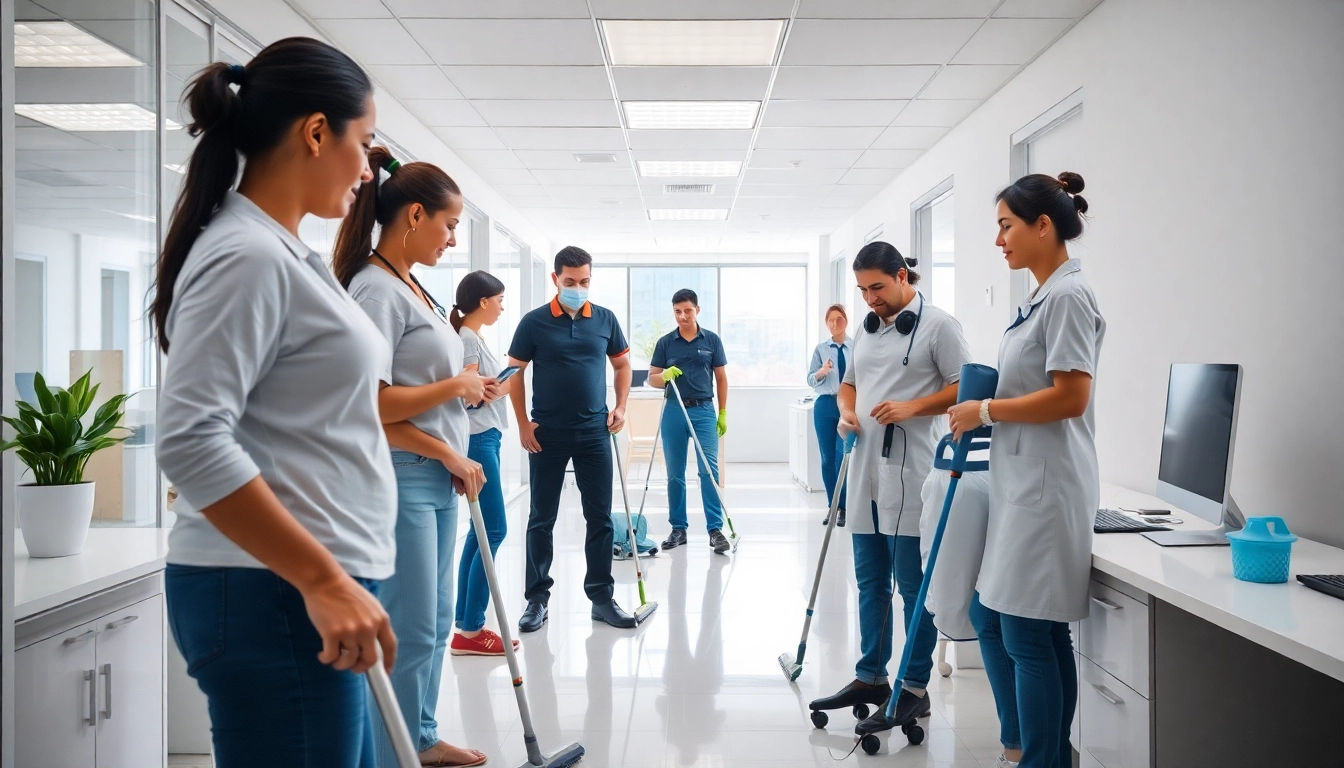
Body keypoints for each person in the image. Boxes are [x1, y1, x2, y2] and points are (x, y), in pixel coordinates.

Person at [154, 38, 395, 768]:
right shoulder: (246, 256)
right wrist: (321, 578)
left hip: (291, 585)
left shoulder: (283, 252)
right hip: (270, 592)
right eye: (365, 142)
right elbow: (192, 438)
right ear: (317, 132)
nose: (367, 169)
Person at [332, 147, 492, 768]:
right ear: (415, 214)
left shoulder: (411, 286)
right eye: (449, 225)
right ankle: (394, 749)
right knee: (411, 625)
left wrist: (454, 443)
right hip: (403, 475)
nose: (452, 239)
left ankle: (420, 737)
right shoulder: (375, 290)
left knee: (434, 620)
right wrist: (454, 399)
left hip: (436, 477)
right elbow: (369, 405)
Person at [948, 172, 1104, 768]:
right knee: (1025, 628)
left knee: (1024, 634)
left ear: (1044, 226)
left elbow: (1071, 396)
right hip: (1026, 486)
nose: (999, 241)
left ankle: (1040, 759)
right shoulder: (1044, 297)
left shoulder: (1067, 297)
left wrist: (985, 408)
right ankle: (1043, 755)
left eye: (1006, 226)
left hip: (1046, 490)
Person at [809, 242, 971, 731]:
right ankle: (871, 676)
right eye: (862, 290)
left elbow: (968, 386)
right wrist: (846, 411)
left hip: (913, 469)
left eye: (877, 287)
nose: (869, 299)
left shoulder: (941, 326)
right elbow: (849, 382)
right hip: (865, 470)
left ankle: (913, 688)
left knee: (911, 586)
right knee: (869, 583)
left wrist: (913, 406)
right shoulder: (865, 328)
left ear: (903, 276)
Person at [507, 246, 637, 631]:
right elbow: (514, 373)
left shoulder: (606, 319)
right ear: (555, 279)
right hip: (546, 434)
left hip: (596, 432)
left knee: (599, 518)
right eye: (570, 282)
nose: (577, 288)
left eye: (584, 282)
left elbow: (623, 364)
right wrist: (522, 424)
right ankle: (536, 600)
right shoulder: (533, 322)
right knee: (540, 518)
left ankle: (601, 597)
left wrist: (621, 406)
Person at [450, 270, 517, 656]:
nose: (502, 307)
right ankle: (473, 630)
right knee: (494, 529)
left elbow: (479, 390)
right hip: (477, 439)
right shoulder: (467, 340)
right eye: (499, 300)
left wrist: (497, 385)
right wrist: (495, 389)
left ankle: (466, 627)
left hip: (484, 436)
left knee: (479, 533)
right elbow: (467, 396)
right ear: (483, 302)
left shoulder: (472, 337)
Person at [648, 288, 731, 553]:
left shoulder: (712, 341)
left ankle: (715, 530)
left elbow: (721, 378)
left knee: (709, 471)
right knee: (675, 473)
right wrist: (665, 375)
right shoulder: (665, 343)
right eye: (677, 312)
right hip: (674, 410)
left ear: (698, 310)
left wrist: (723, 412)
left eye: (687, 311)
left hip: (704, 411)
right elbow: (651, 379)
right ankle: (678, 529)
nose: (682, 316)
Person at [807, 304, 853, 527]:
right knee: (827, 459)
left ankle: (843, 507)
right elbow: (810, 379)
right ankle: (832, 506)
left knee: (840, 457)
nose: (835, 323)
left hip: (848, 405)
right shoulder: (820, 349)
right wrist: (821, 373)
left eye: (839, 319)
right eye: (831, 320)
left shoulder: (856, 347)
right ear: (826, 324)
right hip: (825, 405)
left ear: (846, 320)